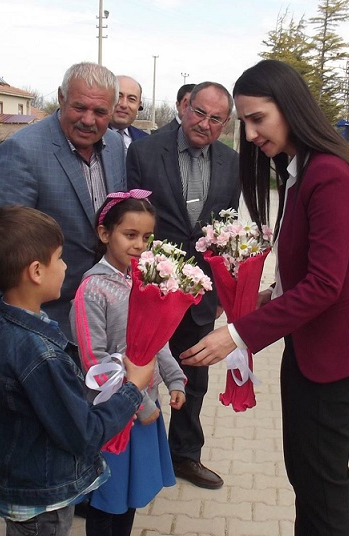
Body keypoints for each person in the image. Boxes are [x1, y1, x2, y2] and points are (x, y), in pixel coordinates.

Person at [181, 59, 349, 536]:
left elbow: (326, 284)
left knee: (321, 483)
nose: (251, 133)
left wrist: (237, 334)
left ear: (291, 107)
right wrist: (263, 298)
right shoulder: (302, 168)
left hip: (337, 353)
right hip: (311, 346)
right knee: (307, 475)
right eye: (245, 123)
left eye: (258, 118)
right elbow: (311, 270)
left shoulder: (332, 174)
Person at [0, 204, 156, 536]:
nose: (65, 266)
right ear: (36, 272)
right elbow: (85, 433)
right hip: (43, 496)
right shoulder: (40, 354)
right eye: (59, 258)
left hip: (20, 478)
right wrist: (133, 389)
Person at [126, 81, 239, 490]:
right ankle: (137, 457)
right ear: (185, 106)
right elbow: (131, 216)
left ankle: (185, 456)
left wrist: (226, 289)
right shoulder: (143, 151)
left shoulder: (232, 162)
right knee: (141, 369)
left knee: (195, 376)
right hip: (154, 286)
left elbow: (227, 226)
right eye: (198, 112)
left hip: (201, 293)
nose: (204, 124)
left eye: (215, 119)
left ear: (225, 124)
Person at [70, 192, 186, 536]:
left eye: (147, 237)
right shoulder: (92, 288)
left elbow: (156, 338)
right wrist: (141, 402)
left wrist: (175, 379)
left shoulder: (145, 279)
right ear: (105, 234)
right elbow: (94, 362)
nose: (139, 244)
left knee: (132, 494)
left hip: (143, 411)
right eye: (130, 234)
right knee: (108, 498)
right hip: (114, 414)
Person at [0, 61, 125, 339]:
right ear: (61, 98)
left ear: (112, 111)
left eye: (100, 111)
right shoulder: (23, 150)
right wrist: (19, 328)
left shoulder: (115, 148)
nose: (88, 120)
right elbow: (5, 247)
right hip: (49, 321)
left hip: (107, 322)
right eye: (79, 107)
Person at [109, 75, 147, 151]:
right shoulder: (90, 137)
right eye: (118, 96)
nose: (124, 104)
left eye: (131, 99)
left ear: (138, 105)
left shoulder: (147, 141)